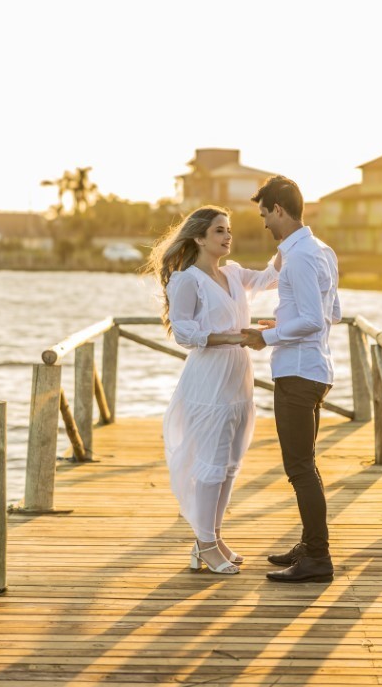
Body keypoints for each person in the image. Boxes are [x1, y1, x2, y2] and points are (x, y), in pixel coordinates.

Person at [148, 205, 280, 575]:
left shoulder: (234, 274)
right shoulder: (186, 280)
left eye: (229, 230)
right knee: (211, 463)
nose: (227, 236)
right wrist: (234, 337)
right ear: (199, 238)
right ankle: (205, 544)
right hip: (209, 378)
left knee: (229, 464)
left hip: (238, 375)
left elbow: (271, 276)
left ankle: (211, 539)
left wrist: (291, 239)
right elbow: (184, 332)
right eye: (219, 230)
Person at [241, 175, 341, 583]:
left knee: (299, 468)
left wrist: (266, 336)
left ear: (278, 210)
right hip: (315, 369)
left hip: (298, 373)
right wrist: (281, 322)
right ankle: (310, 545)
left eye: (265, 214)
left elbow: (314, 319)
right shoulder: (322, 250)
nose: (264, 222)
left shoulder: (298, 257)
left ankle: (318, 558)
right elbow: (332, 313)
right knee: (306, 466)